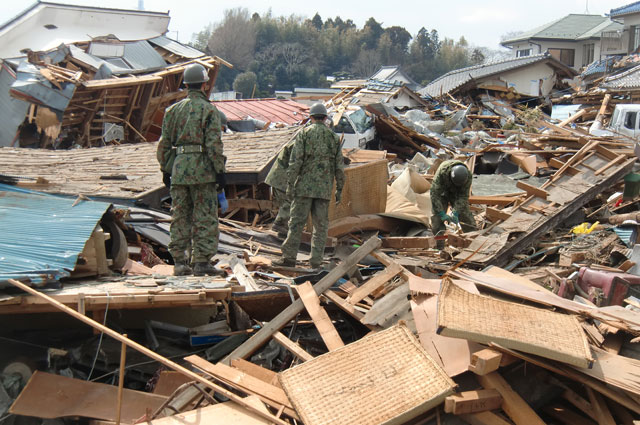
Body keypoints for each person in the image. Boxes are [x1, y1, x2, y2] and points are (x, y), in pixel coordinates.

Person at [156, 63, 226, 276]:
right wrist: (220, 171)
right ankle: (201, 262)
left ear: (186, 85)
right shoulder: (210, 110)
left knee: (180, 216)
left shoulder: (172, 111)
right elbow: (214, 144)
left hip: (179, 168)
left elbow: (164, 144)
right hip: (203, 170)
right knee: (204, 216)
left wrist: (166, 170)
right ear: (204, 85)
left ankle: (179, 262)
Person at [274, 103, 345, 269]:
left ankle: (289, 258)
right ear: (326, 118)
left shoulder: (304, 134)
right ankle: (315, 261)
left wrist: (290, 185)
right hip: (323, 190)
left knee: (296, 224)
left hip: (303, 189)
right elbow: (339, 167)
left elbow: (295, 161)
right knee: (320, 227)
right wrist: (339, 190)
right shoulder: (333, 138)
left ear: (311, 117)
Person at [430, 160, 477, 249]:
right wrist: (441, 213)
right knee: (437, 220)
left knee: (466, 216)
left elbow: (463, 196)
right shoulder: (442, 172)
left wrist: (455, 212)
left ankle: (473, 243)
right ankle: (439, 246)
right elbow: (434, 195)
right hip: (442, 192)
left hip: (457, 193)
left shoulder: (468, 176)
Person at [265, 139, 295, 239]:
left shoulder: (302, 140)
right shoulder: (300, 144)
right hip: (281, 177)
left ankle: (283, 232)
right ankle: (280, 224)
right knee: (290, 200)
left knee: (288, 201)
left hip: (280, 176)